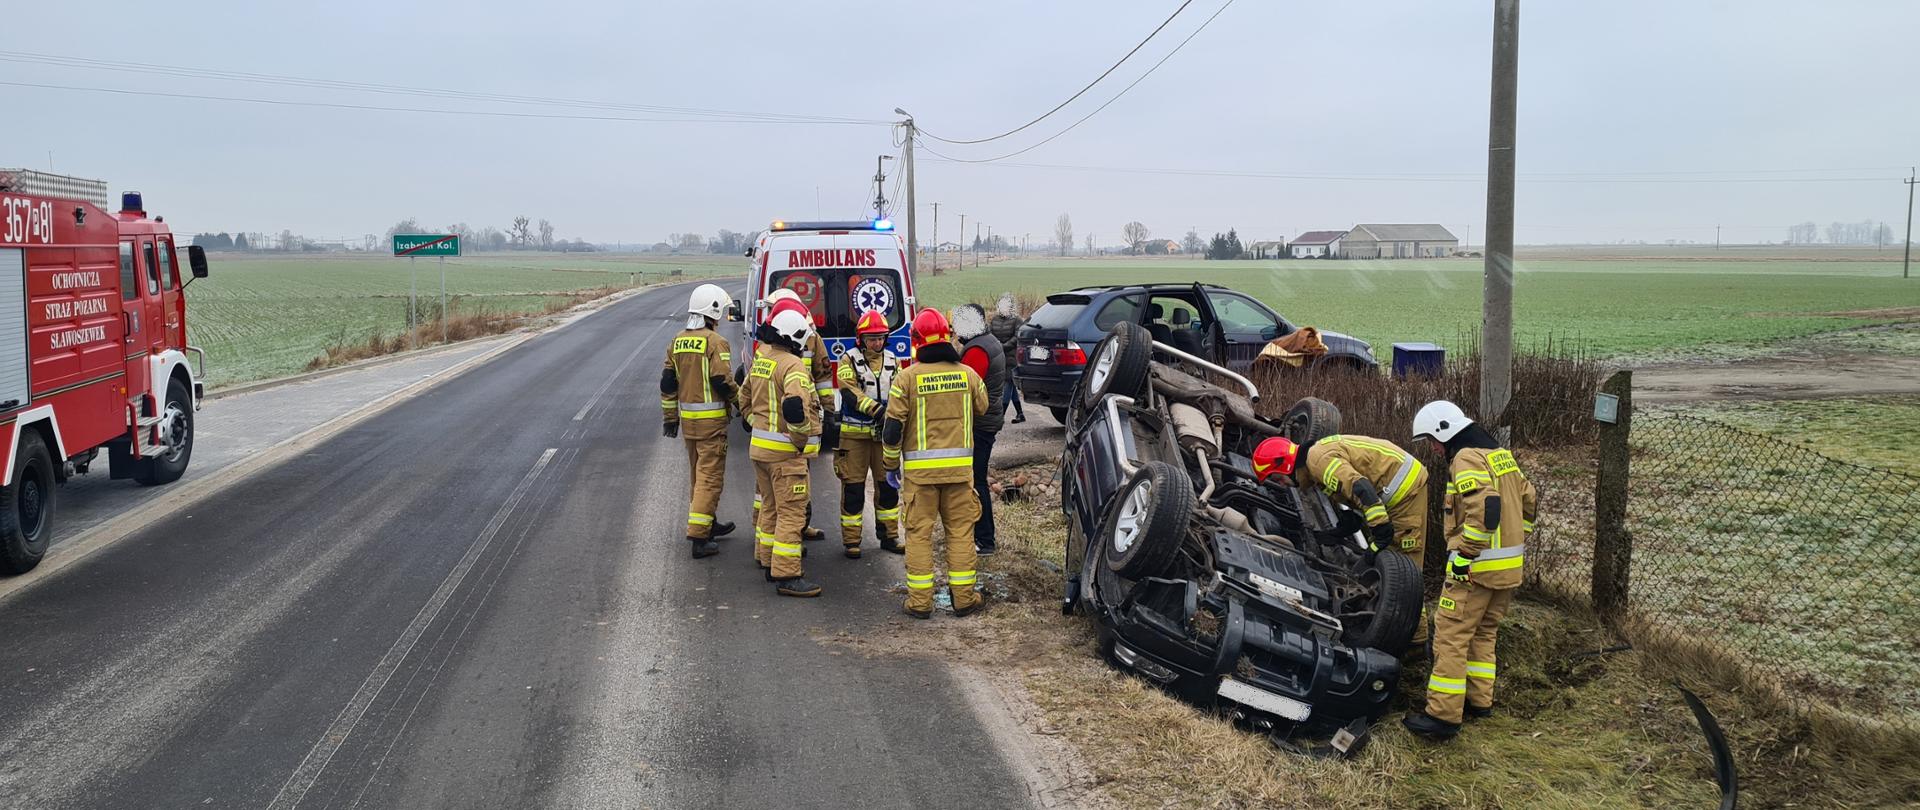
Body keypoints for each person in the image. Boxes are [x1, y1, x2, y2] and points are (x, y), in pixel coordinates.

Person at [1402, 400, 1538, 740]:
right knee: (1484, 633)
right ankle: (1479, 702)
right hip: (1508, 571)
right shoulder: (1500, 455)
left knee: (1450, 636)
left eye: (1432, 440)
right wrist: (1515, 540)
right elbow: (1529, 501)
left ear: (1445, 430)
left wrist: (1465, 554)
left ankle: (1443, 716)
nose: (1433, 448)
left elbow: (1485, 506)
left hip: (1475, 571)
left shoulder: (1465, 458)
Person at [1251, 432, 1431, 647]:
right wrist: (1342, 529)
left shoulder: (1318, 461)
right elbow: (1345, 493)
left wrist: (1381, 531)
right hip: (1393, 489)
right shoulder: (1314, 465)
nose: (1282, 484)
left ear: (1285, 464)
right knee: (1392, 566)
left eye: (1276, 477)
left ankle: (1417, 646)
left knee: (1402, 571)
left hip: (1404, 493)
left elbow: (1361, 489)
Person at [882, 308, 990, 619]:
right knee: (960, 534)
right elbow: (983, 406)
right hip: (959, 475)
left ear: (916, 341)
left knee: (918, 536)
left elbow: (892, 429)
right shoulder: (967, 374)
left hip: (920, 478)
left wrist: (890, 465)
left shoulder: (906, 378)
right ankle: (964, 600)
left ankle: (920, 603)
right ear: (948, 337)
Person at [744, 307, 824, 598]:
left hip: (761, 451)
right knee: (792, 513)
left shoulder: (762, 360)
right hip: (786, 455)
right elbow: (794, 406)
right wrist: (801, 439)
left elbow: (744, 399)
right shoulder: (793, 365)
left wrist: (758, 425)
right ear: (797, 337)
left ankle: (768, 561)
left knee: (770, 507)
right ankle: (787, 574)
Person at [661, 283, 739, 558]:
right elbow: (722, 380)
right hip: (712, 424)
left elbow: (667, 382)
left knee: (698, 475)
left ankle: (709, 522)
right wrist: (742, 402)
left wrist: (670, 418)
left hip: (689, 424)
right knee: (710, 478)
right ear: (712, 311)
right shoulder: (716, 342)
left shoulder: (677, 340)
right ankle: (698, 537)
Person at [754, 289, 830, 544]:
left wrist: (827, 414)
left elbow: (822, 377)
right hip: (789, 434)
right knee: (785, 504)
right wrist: (799, 438)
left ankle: (769, 549)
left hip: (776, 433)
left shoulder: (807, 339)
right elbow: (790, 404)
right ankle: (783, 563)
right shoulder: (772, 353)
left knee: (779, 498)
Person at [833, 309, 903, 557]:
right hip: (854, 438)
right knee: (853, 489)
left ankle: (890, 536)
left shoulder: (894, 361)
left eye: (881, 337)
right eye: (872, 338)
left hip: (883, 438)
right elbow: (849, 391)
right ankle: (851, 541)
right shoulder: (848, 360)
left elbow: (900, 393)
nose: (877, 342)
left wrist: (895, 417)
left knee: (888, 488)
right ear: (861, 339)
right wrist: (877, 411)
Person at [952, 303, 1006, 556]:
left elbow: (966, 388)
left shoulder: (977, 350)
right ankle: (982, 537)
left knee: (975, 481)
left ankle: (984, 539)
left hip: (980, 424)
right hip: (988, 420)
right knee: (977, 478)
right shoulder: (988, 341)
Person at [988, 293, 1026, 423]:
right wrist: (995, 346)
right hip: (998, 356)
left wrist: (1004, 346)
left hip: (1012, 357)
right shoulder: (994, 320)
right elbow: (990, 334)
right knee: (1011, 385)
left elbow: (1017, 337)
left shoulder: (1017, 320)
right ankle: (1020, 414)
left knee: (1008, 383)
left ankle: (1001, 415)